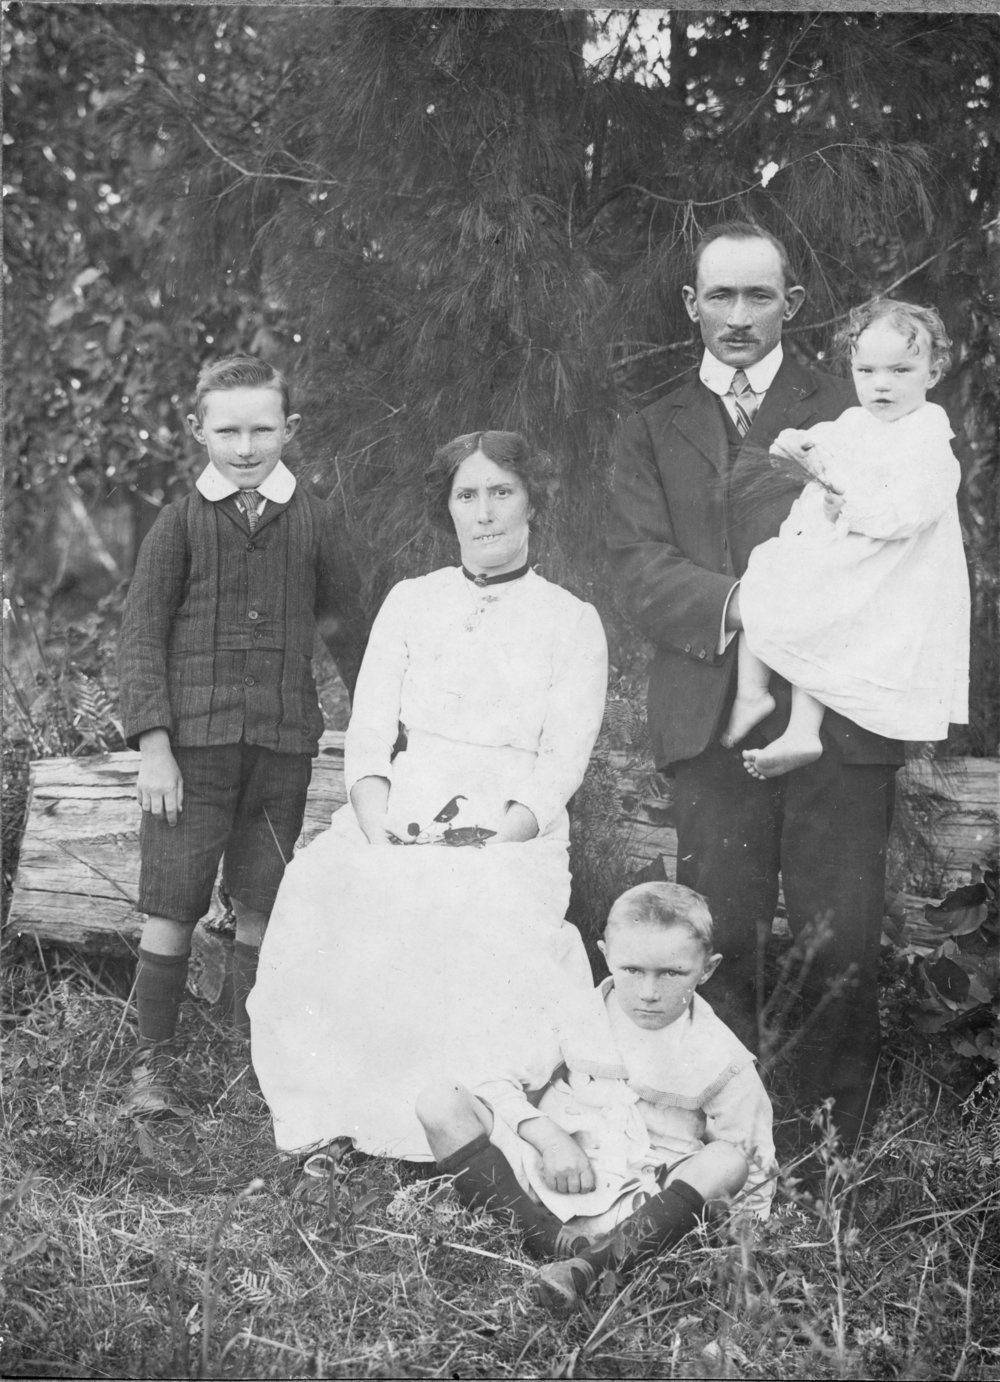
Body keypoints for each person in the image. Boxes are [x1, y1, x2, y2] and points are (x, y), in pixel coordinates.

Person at [607, 220, 902, 1152]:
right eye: (720, 297)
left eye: (759, 296)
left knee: (840, 938)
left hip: (841, 720)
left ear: (793, 305)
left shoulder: (857, 412)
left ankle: (832, 1160)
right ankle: (723, 1153)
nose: (739, 317)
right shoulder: (651, 428)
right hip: (712, 718)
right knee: (721, 935)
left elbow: (890, 552)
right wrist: (758, 604)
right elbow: (637, 568)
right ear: (692, 305)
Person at [249, 430, 608, 1162]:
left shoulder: (570, 619)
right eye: (467, 496)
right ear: (447, 509)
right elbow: (371, 729)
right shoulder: (412, 602)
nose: (485, 514)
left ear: (532, 502)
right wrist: (377, 827)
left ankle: (458, 1120)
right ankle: (344, 1111)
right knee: (324, 886)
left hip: (515, 825)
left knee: (465, 907)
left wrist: (501, 838)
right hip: (407, 803)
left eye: (501, 492)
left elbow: (561, 760)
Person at [118, 354, 367, 1172]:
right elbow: (140, 636)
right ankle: (152, 1063)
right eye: (228, 430)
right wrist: (155, 745)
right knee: (175, 897)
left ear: (290, 430)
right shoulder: (180, 520)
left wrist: (378, 714)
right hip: (192, 749)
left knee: (263, 897)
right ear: (199, 431)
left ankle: (247, 1055)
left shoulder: (317, 518)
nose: (247, 445)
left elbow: (346, 628)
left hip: (283, 741)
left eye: (264, 428)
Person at [415, 881, 776, 1312]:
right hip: (549, 1173)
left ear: (708, 969)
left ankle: (592, 1266)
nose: (647, 992)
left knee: (728, 1159)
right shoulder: (576, 1013)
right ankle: (546, 1239)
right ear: (605, 954)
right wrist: (549, 1138)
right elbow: (496, 1080)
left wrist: (743, 1250)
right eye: (632, 970)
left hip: (639, 1206)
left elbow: (755, 1164)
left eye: (672, 973)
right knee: (441, 1100)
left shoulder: (722, 1056)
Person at [722, 299, 969, 780]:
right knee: (767, 572)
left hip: (886, 570)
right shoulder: (858, 422)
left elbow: (909, 511)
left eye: (901, 369)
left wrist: (849, 507)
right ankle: (753, 694)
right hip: (841, 553)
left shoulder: (928, 439)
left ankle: (801, 731)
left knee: (825, 621)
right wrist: (792, 443)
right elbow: (812, 448)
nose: (881, 384)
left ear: (933, 372)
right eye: (867, 369)